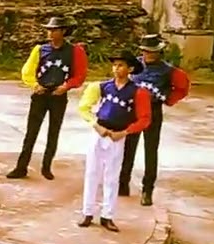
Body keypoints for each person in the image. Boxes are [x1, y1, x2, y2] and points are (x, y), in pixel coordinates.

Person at [76, 51, 152, 232]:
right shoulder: (102, 87)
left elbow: (145, 118)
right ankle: (87, 212)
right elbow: (84, 107)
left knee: (111, 177)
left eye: (121, 65)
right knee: (92, 173)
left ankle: (107, 215)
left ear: (130, 69)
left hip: (117, 136)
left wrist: (125, 132)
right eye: (115, 65)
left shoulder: (138, 92)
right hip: (100, 132)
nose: (116, 69)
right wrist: (95, 125)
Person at [6, 16, 89, 180]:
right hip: (40, 94)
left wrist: (66, 86)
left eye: (54, 30)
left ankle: (46, 166)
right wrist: (35, 85)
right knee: (31, 132)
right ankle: (21, 166)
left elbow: (80, 75)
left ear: (63, 31)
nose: (50, 33)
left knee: (53, 132)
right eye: (49, 30)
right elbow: (28, 71)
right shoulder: (40, 49)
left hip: (58, 94)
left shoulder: (75, 51)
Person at [117, 33, 191, 206]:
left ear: (159, 52)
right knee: (127, 149)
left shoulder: (168, 70)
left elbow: (182, 88)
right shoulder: (133, 65)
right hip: (132, 112)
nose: (147, 54)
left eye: (151, 51)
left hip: (153, 112)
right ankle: (122, 184)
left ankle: (147, 190)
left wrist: (168, 98)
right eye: (145, 51)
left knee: (151, 151)